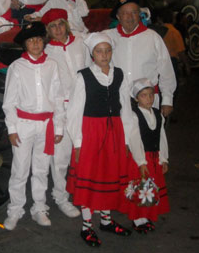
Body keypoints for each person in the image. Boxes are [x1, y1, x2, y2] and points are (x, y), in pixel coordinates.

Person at [66, 32, 133, 248]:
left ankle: (106, 220)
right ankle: (87, 226)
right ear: (92, 54)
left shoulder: (120, 75)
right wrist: (78, 142)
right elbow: (74, 112)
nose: (104, 55)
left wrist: (126, 139)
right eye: (99, 51)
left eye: (107, 51)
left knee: (109, 175)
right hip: (91, 133)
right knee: (90, 177)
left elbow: (126, 108)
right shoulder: (83, 76)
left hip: (114, 132)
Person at [2, 21, 65, 231]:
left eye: (39, 39)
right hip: (24, 125)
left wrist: (58, 127)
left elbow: (57, 97)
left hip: (45, 125)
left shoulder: (52, 65)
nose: (36, 44)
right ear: (25, 45)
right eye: (31, 41)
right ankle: (15, 210)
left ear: (44, 42)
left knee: (41, 169)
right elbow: (9, 101)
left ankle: (39, 207)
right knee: (20, 169)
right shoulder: (17, 67)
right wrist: (12, 129)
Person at [42, 8, 91, 219]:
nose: (58, 29)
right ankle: (60, 197)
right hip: (61, 109)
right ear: (48, 30)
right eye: (52, 27)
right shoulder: (45, 52)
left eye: (60, 24)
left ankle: (84, 192)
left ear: (67, 24)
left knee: (85, 153)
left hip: (85, 106)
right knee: (61, 157)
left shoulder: (81, 42)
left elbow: (92, 68)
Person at [103, 0, 176, 117]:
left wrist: (167, 100)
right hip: (118, 101)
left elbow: (166, 70)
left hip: (147, 102)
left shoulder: (153, 38)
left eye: (134, 12)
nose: (130, 17)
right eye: (125, 13)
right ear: (118, 16)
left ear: (140, 15)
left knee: (148, 134)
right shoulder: (107, 37)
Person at [124, 78, 170, 233]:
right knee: (141, 187)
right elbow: (135, 140)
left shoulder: (158, 114)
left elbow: (162, 137)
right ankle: (138, 219)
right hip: (141, 159)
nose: (149, 99)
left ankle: (147, 215)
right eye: (144, 95)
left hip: (154, 157)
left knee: (151, 187)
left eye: (151, 95)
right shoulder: (134, 116)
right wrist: (141, 162)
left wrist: (163, 158)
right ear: (136, 98)